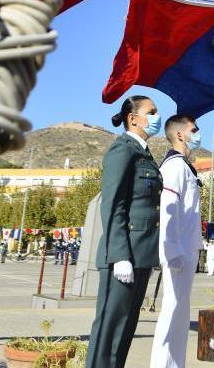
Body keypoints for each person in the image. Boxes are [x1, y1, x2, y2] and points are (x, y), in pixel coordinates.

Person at [85, 95, 164, 368]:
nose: (157, 117)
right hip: (123, 256)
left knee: (125, 332)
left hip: (141, 256)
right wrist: (120, 255)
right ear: (133, 118)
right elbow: (114, 204)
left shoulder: (144, 154)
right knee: (109, 332)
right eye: (151, 112)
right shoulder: (123, 150)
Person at [151, 114, 204, 368]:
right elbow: (168, 208)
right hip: (178, 251)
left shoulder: (183, 166)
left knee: (180, 314)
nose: (197, 133)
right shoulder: (173, 167)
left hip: (186, 248)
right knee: (172, 313)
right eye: (194, 129)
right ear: (180, 135)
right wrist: (172, 249)